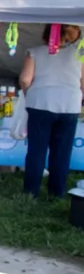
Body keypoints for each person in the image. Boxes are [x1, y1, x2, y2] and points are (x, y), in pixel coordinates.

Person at [19, 24, 84, 198]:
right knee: (62, 152)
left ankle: (31, 192)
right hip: (70, 106)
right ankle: (57, 192)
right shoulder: (80, 54)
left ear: (46, 34)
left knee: (36, 151)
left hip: (40, 103)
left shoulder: (34, 52)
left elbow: (25, 79)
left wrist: (28, 94)